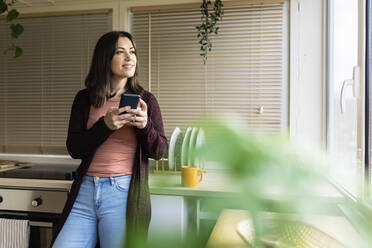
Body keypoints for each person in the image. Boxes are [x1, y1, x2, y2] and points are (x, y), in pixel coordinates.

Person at [51, 31, 168, 248]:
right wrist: (104, 126)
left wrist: (144, 126)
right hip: (84, 191)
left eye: (132, 52)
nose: (129, 57)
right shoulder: (84, 99)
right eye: (120, 52)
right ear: (105, 58)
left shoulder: (146, 100)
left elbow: (160, 151)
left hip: (122, 192)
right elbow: (74, 148)